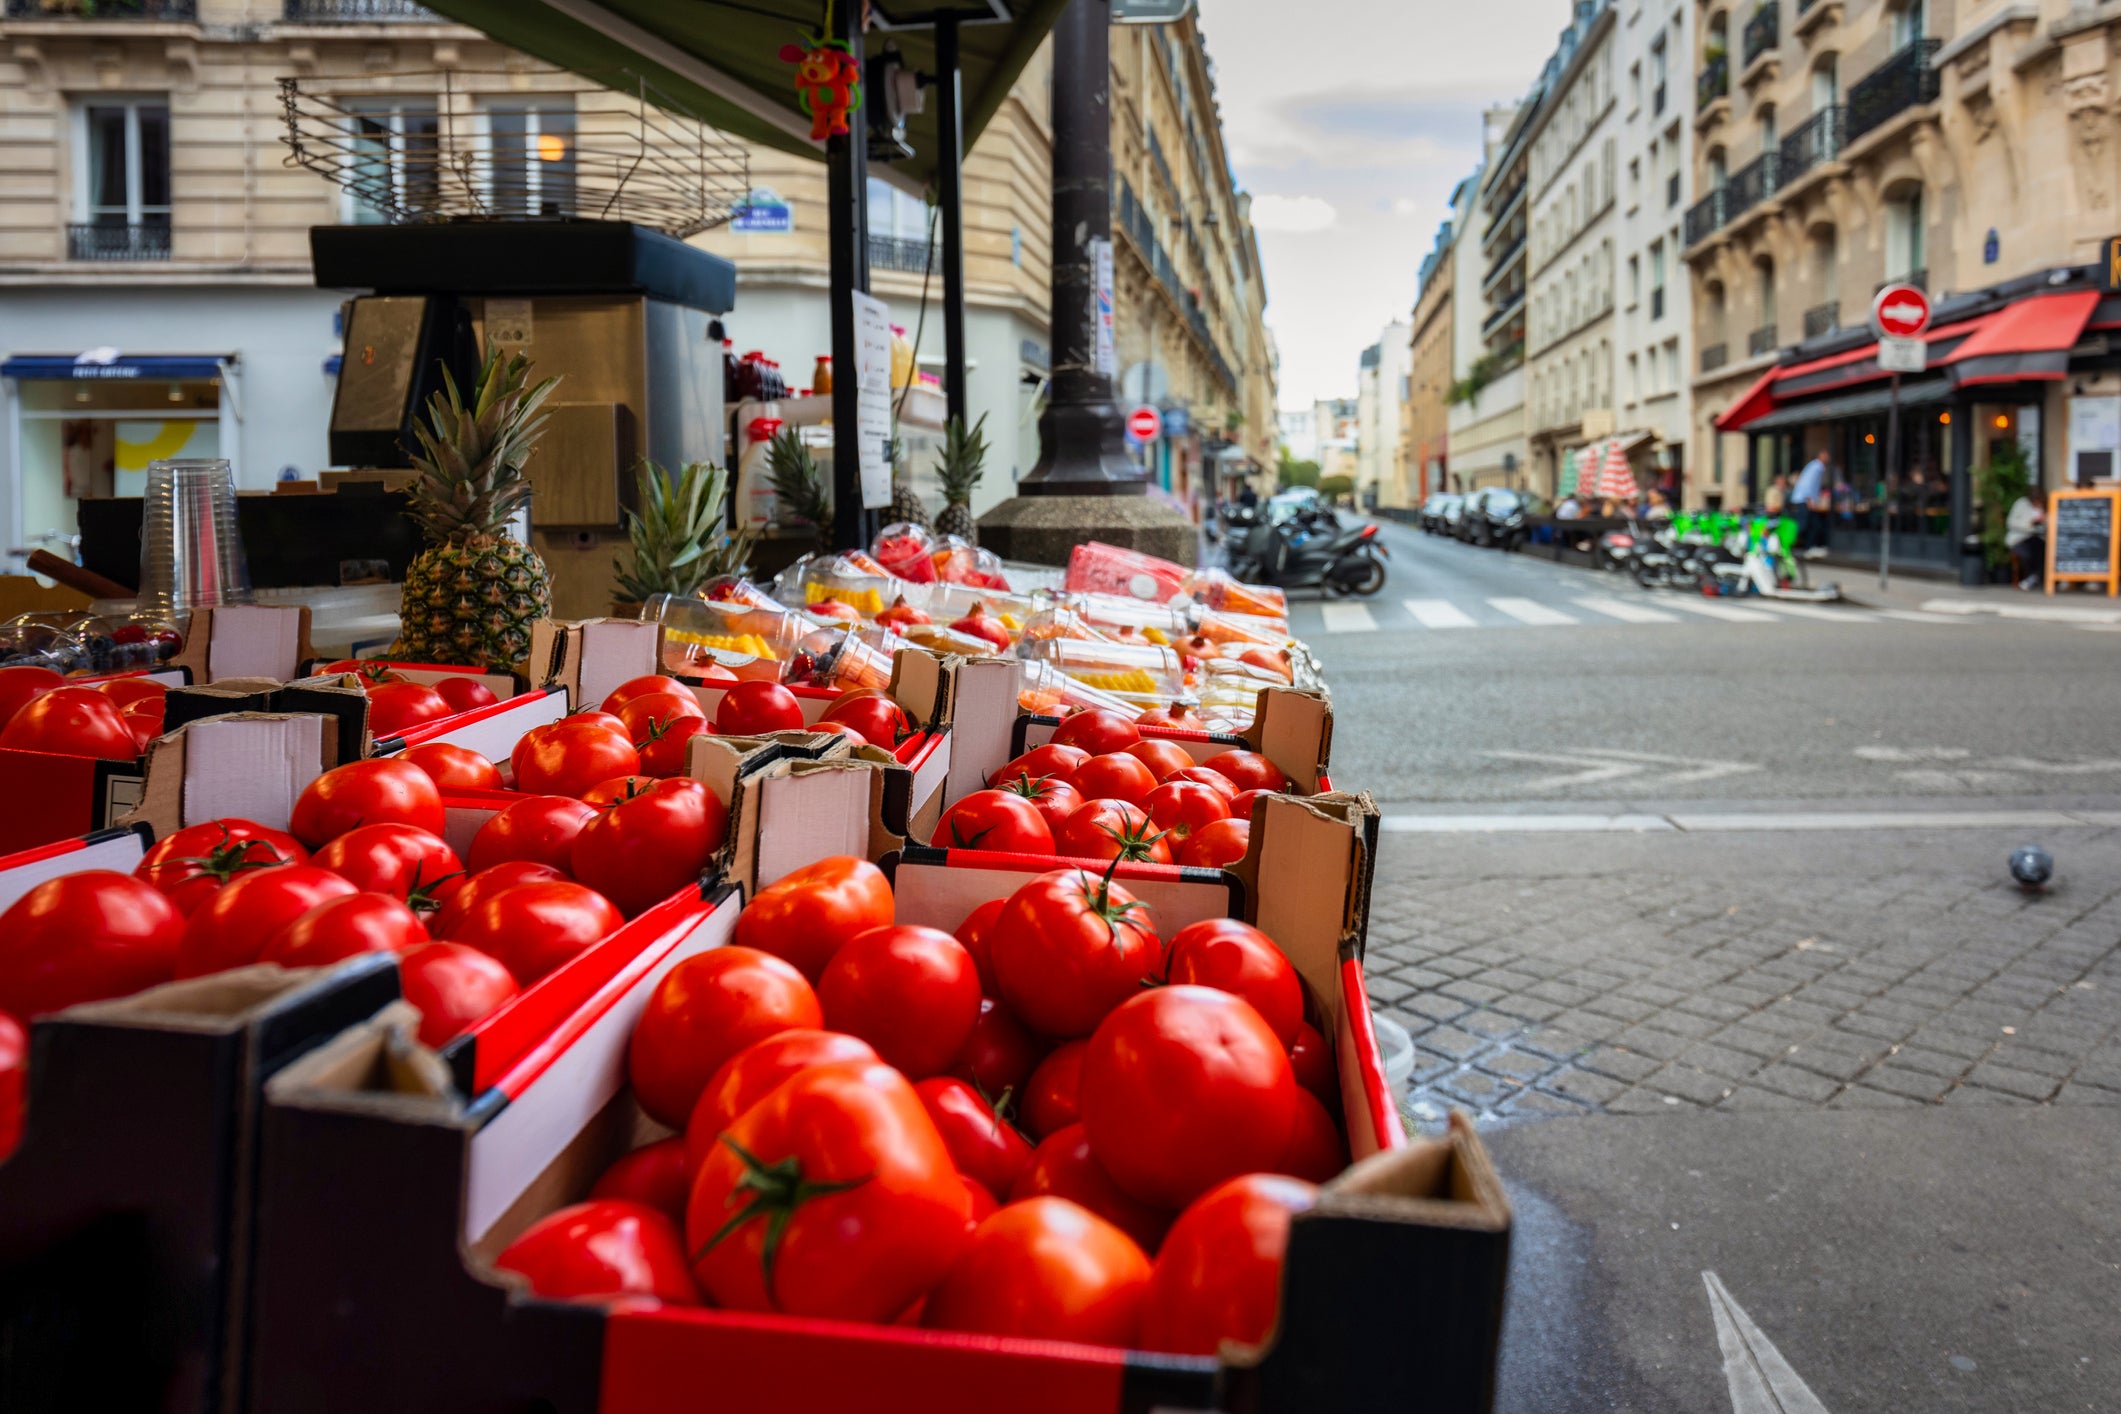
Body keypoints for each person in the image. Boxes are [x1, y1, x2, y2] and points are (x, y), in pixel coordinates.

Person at [1790, 447, 1833, 558]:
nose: (1828, 458)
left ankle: (1810, 547)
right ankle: (1788, 545)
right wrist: (1809, 500)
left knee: (1813, 524)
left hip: (1805, 499)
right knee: (1803, 525)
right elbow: (1808, 484)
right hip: (1804, 500)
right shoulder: (1816, 467)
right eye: (1826, 455)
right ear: (1821, 455)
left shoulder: (1815, 466)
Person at [2007, 487, 2046, 590]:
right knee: (2028, 553)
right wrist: (2029, 524)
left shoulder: (2041, 507)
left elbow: (2042, 528)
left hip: (2035, 537)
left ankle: (2036, 577)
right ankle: (2031, 577)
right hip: (2018, 538)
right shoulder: (2021, 504)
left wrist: (2043, 522)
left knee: (2042, 547)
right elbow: (2011, 522)